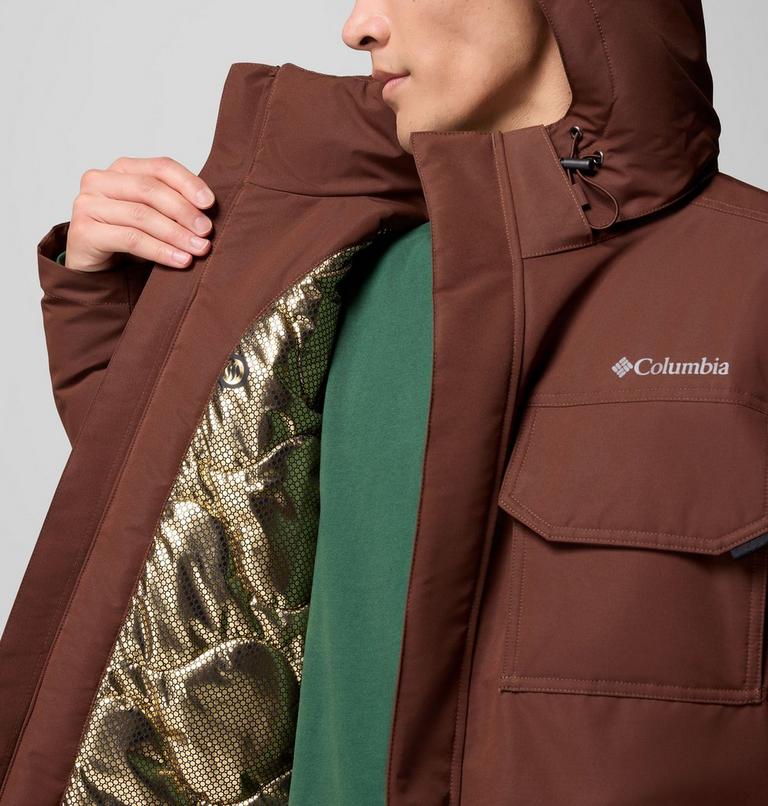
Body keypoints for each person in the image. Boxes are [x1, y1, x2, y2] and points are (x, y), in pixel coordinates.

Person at [2, 2, 768, 805]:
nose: (359, 27)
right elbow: (190, 557)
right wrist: (109, 303)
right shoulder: (334, 278)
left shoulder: (747, 281)